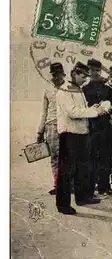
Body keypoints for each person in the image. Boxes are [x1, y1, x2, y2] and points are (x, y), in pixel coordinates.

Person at [55, 62, 107, 214]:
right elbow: (73, 112)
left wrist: (93, 108)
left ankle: (82, 197)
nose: (85, 79)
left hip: (82, 133)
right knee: (66, 171)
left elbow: (81, 110)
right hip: (69, 134)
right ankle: (63, 205)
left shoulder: (78, 89)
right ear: (74, 73)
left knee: (82, 169)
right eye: (83, 76)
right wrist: (95, 112)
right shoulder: (64, 91)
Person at [82, 58, 112, 197]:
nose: (95, 73)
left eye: (97, 70)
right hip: (90, 127)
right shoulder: (83, 89)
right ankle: (90, 188)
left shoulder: (107, 89)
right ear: (88, 71)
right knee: (91, 158)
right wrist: (92, 109)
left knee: (106, 157)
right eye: (92, 70)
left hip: (105, 127)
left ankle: (104, 186)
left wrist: (108, 108)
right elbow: (81, 108)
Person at [37, 62, 65, 195]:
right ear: (52, 74)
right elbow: (44, 111)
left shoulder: (69, 87)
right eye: (54, 74)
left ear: (63, 73)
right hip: (52, 126)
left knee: (68, 156)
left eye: (59, 74)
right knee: (55, 157)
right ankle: (57, 185)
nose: (57, 77)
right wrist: (39, 131)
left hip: (67, 126)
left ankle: (67, 184)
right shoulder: (47, 88)